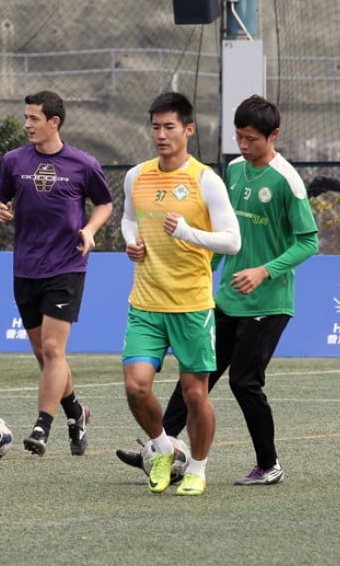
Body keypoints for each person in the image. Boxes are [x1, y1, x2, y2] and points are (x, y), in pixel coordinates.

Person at [116, 95, 319, 486]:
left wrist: (264, 271)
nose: (243, 146)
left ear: (272, 136)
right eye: (239, 137)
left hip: (268, 300)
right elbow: (215, 232)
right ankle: (164, 447)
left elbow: (308, 242)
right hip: (223, 296)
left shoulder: (287, 179)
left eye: (252, 139)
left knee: (244, 381)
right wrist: (205, 272)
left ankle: (268, 463)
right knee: (196, 383)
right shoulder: (236, 170)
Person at [119, 91, 241, 497]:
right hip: (145, 303)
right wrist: (130, 242)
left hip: (191, 305)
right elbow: (127, 218)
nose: (161, 134)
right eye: (155, 126)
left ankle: (199, 468)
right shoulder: (136, 175)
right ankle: (161, 448)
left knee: (194, 394)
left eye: (169, 126)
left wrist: (187, 233)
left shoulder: (205, 180)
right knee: (136, 387)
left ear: (188, 129)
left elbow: (232, 241)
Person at [0, 90, 113, 457]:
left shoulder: (83, 163)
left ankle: (42, 427)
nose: (27, 124)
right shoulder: (13, 161)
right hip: (26, 267)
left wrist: (90, 230)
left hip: (67, 264)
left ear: (53, 122)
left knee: (54, 348)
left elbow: (104, 203)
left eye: (34, 119)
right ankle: (77, 412)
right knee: (45, 357)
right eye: (26, 118)